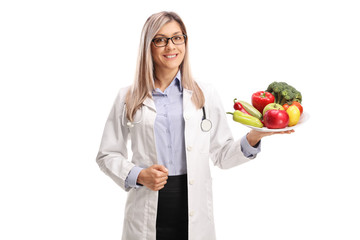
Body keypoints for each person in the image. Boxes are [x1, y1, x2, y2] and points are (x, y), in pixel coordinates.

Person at [96, 11, 294, 240]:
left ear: (185, 42)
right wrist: (138, 175)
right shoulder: (128, 97)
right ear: (148, 46)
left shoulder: (204, 94)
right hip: (147, 204)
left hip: (193, 207)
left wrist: (254, 136)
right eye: (160, 39)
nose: (170, 46)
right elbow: (107, 154)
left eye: (177, 37)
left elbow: (221, 155)